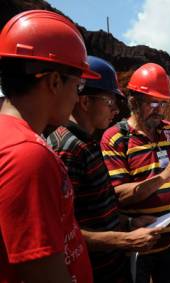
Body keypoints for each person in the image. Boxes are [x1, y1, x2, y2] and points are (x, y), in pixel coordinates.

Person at [0, 10, 100, 282]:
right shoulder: (27, 154)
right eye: (78, 85)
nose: (77, 97)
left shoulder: (10, 137)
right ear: (55, 81)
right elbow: (41, 271)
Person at [47, 56, 163, 282]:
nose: (115, 110)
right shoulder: (67, 149)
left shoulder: (87, 143)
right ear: (85, 102)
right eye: (109, 102)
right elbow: (62, 233)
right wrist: (124, 240)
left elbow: (97, 210)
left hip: (111, 267)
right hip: (93, 271)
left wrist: (129, 224)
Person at [100, 63, 170, 283]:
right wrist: (165, 175)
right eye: (153, 103)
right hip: (139, 244)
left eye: (163, 103)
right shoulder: (115, 138)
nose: (160, 110)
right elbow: (118, 194)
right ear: (134, 102)